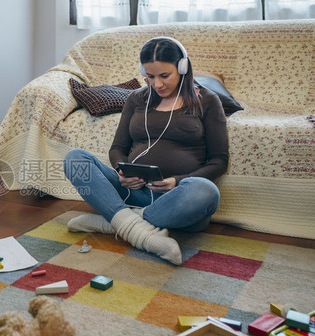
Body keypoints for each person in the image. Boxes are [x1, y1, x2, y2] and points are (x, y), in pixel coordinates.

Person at [64, 37, 228, 265]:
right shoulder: (136, 99)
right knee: (75, 159)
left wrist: (177, 181)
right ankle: (141, 233)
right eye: (150, 76)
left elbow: (219, 161)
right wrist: (122, 171)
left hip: (176, 199)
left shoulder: (207, 101)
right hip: (134, 192)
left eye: (164, 76)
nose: (157, 84)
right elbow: (118, 149)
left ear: (182, 68)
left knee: (206, 192)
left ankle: (113, 221)